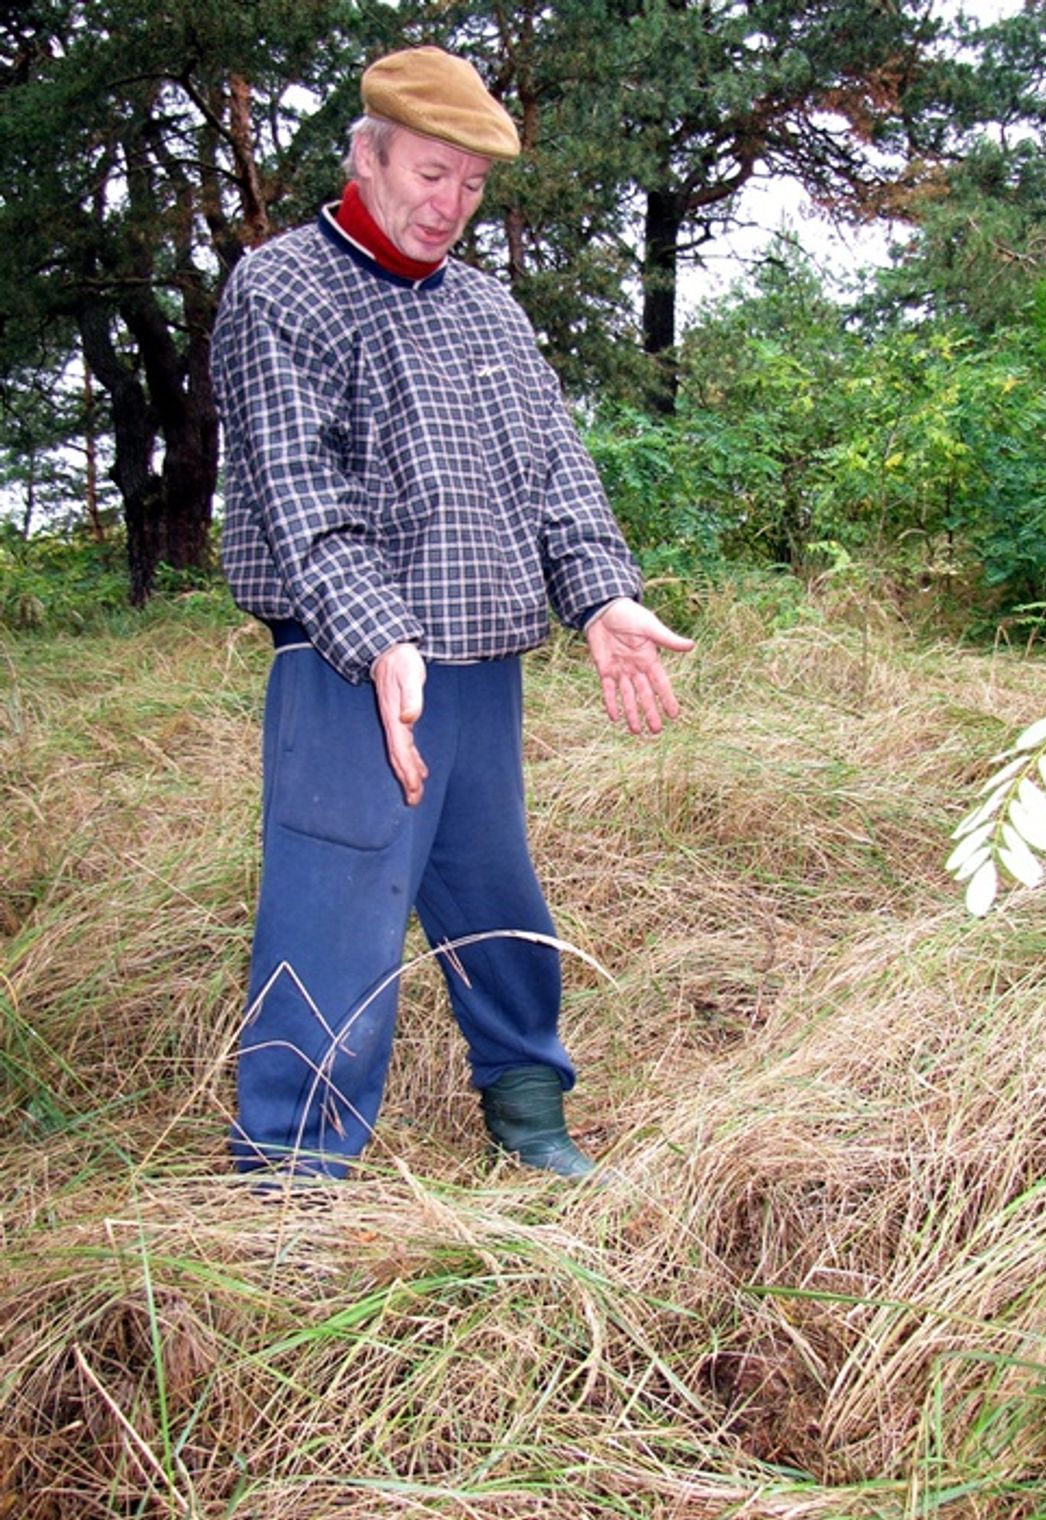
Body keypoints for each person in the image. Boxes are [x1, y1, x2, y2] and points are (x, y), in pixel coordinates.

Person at [210, 44, 693, 1183]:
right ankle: (287, 1183)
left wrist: (601, 594)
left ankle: (529, 1112)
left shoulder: (488, 308)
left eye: (472, 187)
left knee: (497, 903)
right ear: (367, 154)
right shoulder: (281, 289)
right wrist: (378, 634)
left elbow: (556, 469)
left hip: (480, 674)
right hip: (347, 675)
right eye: (431, 174)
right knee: (332, 928)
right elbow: (298, 493)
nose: (450, 206)